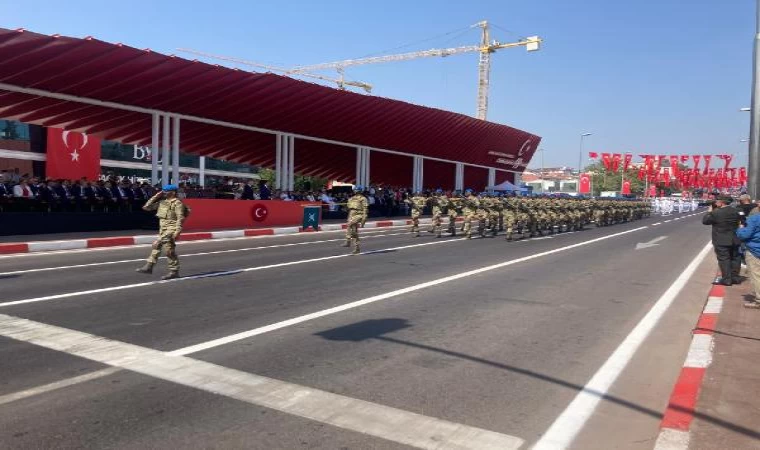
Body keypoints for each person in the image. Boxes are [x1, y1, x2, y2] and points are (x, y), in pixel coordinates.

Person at [136, 184, 187, 280]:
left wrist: (178, 231)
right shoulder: (162, 202)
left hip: (171, 228)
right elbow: (146, 207)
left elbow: (180, 218)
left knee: (157, 243)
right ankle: (174, 271)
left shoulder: (177, 203)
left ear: (173, 192)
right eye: (163, 191)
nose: (164, 193)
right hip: (162, 229)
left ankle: (149, 265)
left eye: (166, 191)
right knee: (169, 251)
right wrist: (156, 196)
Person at [702, 196, 741, 286]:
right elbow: (743, 220)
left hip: (721, 239)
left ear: (721, 202)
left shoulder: (716, 212)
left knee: (724, 259)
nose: (716, 203)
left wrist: (709, 211)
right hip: (734, 238)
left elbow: (705, 221)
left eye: (717, 201)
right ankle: (735, 277)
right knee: (735, 258)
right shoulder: (736, 210)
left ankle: (727, 279)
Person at [736, 209, 760, 309]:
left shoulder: (754, 219)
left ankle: (759, 300)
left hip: (755, 250)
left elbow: (744, 235)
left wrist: (740, 228)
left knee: (756, 275)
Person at [342, 186, 368, 255]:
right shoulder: (351, 198)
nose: (355, 191)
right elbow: (348, 207)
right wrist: (345, 207)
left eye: (357, 190)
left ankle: (348, 241)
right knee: (354, 232)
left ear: (360, 191)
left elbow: (365, 209)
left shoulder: (363, 199)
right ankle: (357, 249)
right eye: (355, 190)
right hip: (351, 214)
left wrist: (364, 219)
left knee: (349, 224)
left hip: (359, 214)